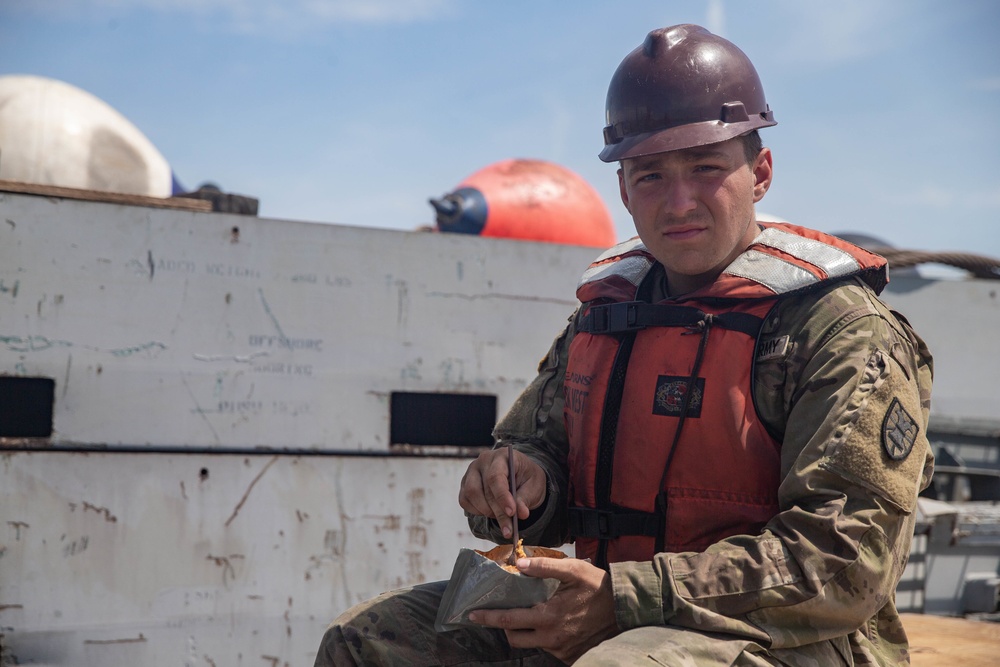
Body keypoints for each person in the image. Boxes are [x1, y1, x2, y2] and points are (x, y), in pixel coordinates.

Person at [314, 23, 934, 666]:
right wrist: (521, 484)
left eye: (706, 168)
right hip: (616, 612)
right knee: (369, 643)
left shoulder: (839, 334)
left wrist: (625, 597)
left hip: (796, 638)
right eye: (650, 176)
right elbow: (537, 449)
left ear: (761, 172)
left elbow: (843, 566)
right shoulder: (608, 316)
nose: (679, 202)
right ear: (622, 189)